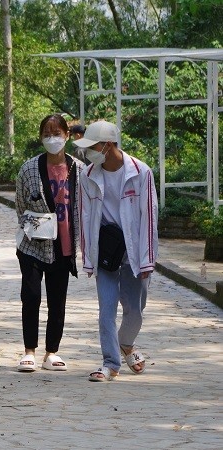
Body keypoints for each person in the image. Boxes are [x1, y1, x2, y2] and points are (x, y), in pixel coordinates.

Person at [73, 120, 158, 382]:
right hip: (106, 251)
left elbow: (149, 217)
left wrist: (147, 261)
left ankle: (126, 343)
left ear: (108, 146)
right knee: (106, 308)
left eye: (93, 147)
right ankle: (110, 363)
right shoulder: (87, 176)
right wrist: (88, 258)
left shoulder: (140, 172)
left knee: (135, 309)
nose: (88, 153)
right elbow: (85, 216)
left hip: (134, 251)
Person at [15, 114, 84, 372]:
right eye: (47, 133)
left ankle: (52, 351)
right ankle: (29, 350)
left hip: (63, 245)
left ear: (67, 135)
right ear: (40, 136)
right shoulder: (29, 168)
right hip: (33, 244)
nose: (52, 138)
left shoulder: (78, 169)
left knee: (58, 300)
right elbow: (20, 205)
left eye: (57, 133)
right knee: (31, 296)